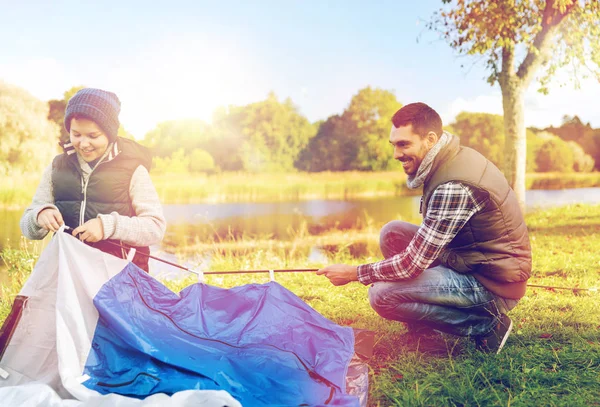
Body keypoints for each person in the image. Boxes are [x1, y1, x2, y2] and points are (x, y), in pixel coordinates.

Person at [317, 102, 531, 354]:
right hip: (470, 261)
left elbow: (411, 265)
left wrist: (354, 273)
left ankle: (484, 324)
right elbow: (422, 249)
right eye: (394, 145)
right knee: (393, 232)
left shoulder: (453, 184)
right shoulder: (452, 158)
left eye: (404, 144)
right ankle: (424, 329)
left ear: (430, 139)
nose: (396, 154)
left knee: (382, 295)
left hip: (493, 284)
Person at [20, 88, 166, 272]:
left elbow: (155, 228)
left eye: (93, 136)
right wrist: (40, 216)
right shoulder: (56, 167)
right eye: (76, 134)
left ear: (110, 133)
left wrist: (107, 226)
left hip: (122, 280)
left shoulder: (134, 169)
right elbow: (27, 227)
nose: (83, 143)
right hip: (72, 277)